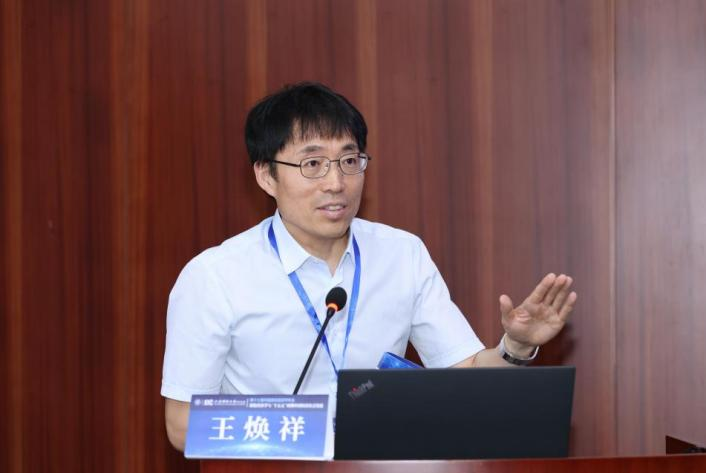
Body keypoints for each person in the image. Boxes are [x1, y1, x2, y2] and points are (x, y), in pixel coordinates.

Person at [161, 82, 577, 451]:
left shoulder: (401, 255)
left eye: (349, 160)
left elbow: (465, 378)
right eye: (312, 164)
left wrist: (515, 346)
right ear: (267, 176)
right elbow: (182, 425)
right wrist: (310, 433)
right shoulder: (215, 276)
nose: (336, 183)